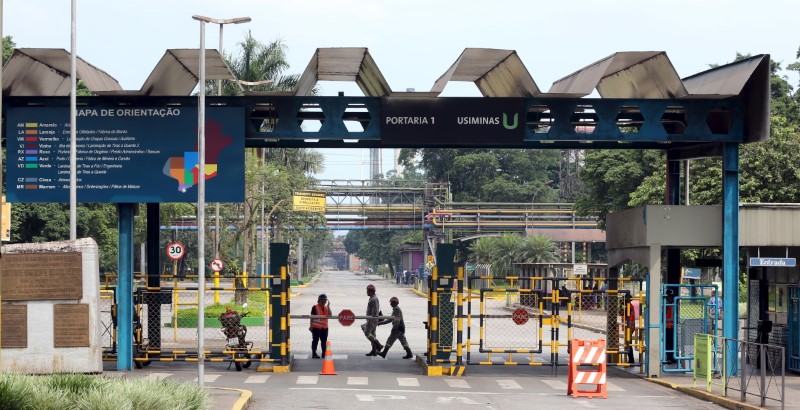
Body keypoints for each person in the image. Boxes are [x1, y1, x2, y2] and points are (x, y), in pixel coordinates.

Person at [361, 284, 383, 356]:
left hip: (372, 320)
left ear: (371, 291)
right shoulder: (372, 298)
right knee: (372, 335)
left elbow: (375, 311)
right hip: (371, 320)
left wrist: (372, 321)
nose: (366, 292)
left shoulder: (374, 299)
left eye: (367, 291)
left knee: (367, 332)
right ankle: (374, 350)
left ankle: (378, 344)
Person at [309, 294, 331, 359]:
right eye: (323, 300)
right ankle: (314, 353)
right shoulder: (315, 307)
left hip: (325, 328)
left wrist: (329, 306)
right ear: (319, 300)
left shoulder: (326, 308)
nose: (324, 301)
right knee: (315, 341)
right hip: (316, 328)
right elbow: (312, 317)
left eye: (325, 300)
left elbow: (330, 315)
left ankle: (324, 353)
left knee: (324, 341)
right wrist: (311, 326)